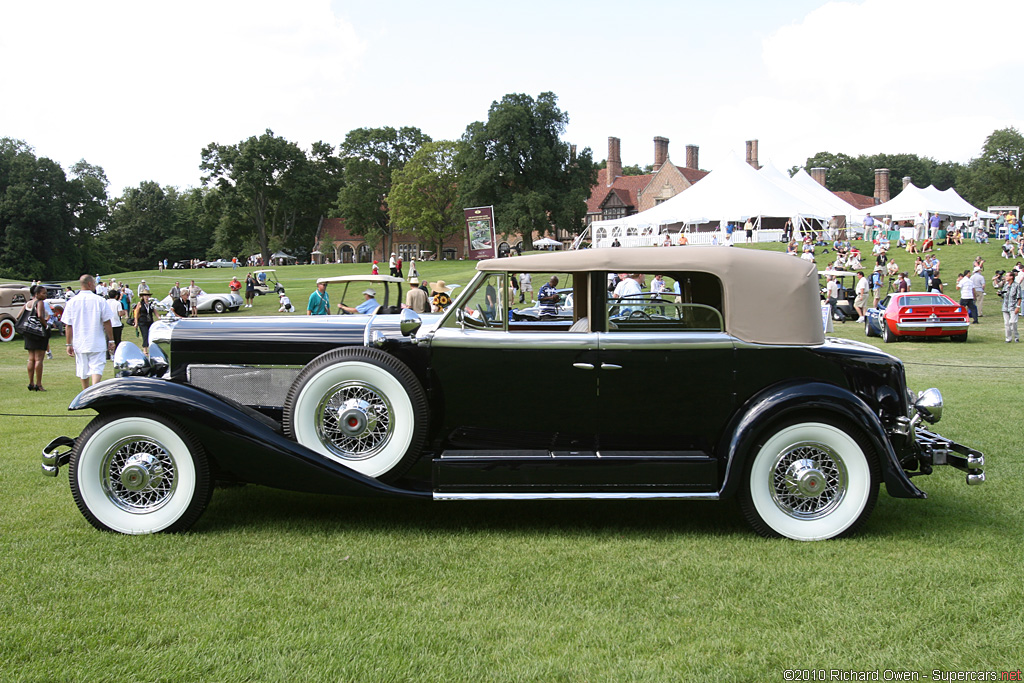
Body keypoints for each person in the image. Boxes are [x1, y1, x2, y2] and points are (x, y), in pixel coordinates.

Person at [61, 274, 116, 389]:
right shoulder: (99, 300)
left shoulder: (72, 302)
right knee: (97, 366)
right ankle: (94, 388)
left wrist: (68, 343)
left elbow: (68, 325)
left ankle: (86, 390)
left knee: (82, 368)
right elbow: (107, 322)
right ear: (90, 284)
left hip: (80, 340)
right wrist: (111, 339)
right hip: (97, 340)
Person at [23, 284, 51, 391]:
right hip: (38, 333)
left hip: (28, 333)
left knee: (31, 359)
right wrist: (46, 325)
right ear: (37, 294)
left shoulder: (28, 303)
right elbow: (40, 315)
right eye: (43, 293)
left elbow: (18, 316)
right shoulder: (40, 303)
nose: (45, 295)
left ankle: (31, 383)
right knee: (39, 359)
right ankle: (39, 384)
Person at [133, 290, 159, 355]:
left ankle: (151, 348)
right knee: (145, 334)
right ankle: (145, 349)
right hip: (142, 321)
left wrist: (160, 318)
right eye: (145, 295)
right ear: (142, 296)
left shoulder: (151, 304)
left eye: (147, 295)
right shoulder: (140, 304)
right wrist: (136, 322)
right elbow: (136, 313)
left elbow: (155, 312)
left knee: (151, 335)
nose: (146, 297)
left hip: (150, 321)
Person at [1001, 270, 1021, 343]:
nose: (1005, 277)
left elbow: (1019, 297)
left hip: (1013, 306)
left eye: (1007, 276)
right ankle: (1008, 338)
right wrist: (1000, 294)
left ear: (1011, 277)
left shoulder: (1016, 285)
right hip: (1005, 306)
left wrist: (1018, 307)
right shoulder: (1006, 285)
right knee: (1006, 323)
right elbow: (1004, 295)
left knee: (1013, 322)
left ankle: (1016, 336)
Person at [106, 290, 125, 356]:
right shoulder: (117, 303)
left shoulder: (105, 302)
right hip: (116, 323)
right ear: (116, 296)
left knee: (108, 339)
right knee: (117, 340)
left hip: (107, 324)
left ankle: (108, 354)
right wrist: (124, 312)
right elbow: (120, 313)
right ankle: (116, 353)